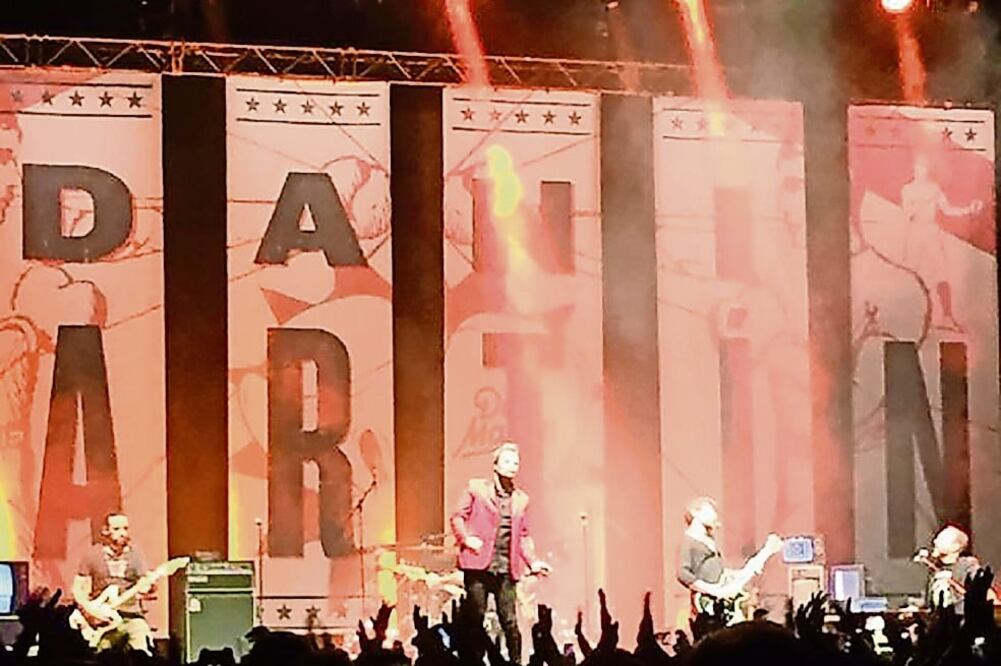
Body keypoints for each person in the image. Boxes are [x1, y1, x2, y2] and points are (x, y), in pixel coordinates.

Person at [450, 442, 550, 665]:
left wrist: (532, 562)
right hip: (478, 565)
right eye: (507, 461)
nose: (512, 466)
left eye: (516, 462)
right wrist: (466, 539)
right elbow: (458, 516)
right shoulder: (476, 488)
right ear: (495, 465)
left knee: (510, 621)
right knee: (476, 618)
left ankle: (515, 662)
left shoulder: (521, 500)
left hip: (506, 567)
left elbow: (523, 535)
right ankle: (472, 661)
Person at [72, 512, 153, 653]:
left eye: (125, 528)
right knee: (100, 655)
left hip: (132, 616)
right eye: (117, 529)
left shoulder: (136, 555)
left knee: (142, 651)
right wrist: (91, 612)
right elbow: (78, 589)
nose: (123, 533)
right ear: (105, 530)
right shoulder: (92, 555)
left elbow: (146, 584)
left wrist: (149, 587)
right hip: (103, 620)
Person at [917, 524, 982, 611]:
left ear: (955, 546)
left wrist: (952, 582)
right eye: (937, 538)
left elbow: (979, 598)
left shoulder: (968, 567)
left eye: (942, 540)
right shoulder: (934, 568)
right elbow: (929, 603)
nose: (935, 542)